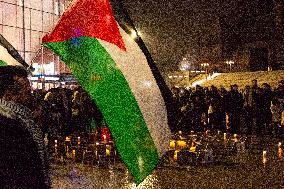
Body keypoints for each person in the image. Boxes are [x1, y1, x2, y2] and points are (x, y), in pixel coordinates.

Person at [0, 66, 51, 188]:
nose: (31, 96)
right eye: (27, 92)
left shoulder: (22, 119)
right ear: (9, 95)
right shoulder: (10, 127)